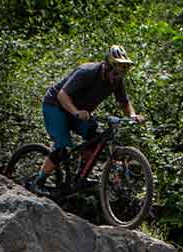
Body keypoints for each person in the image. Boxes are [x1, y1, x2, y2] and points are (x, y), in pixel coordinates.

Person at [29, 44, 144, 193]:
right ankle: (38, 181)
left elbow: (124, 102)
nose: (117, 77)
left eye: (121, 74)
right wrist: (76, 112)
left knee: (94, 137)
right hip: (55, 105)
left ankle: (80, 178)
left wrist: (133, 116)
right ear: (107, 67)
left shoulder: (116, 80)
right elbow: (62, 95)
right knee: (62, 146)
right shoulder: (86, 72)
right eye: (115, 73)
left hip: (78, 111)